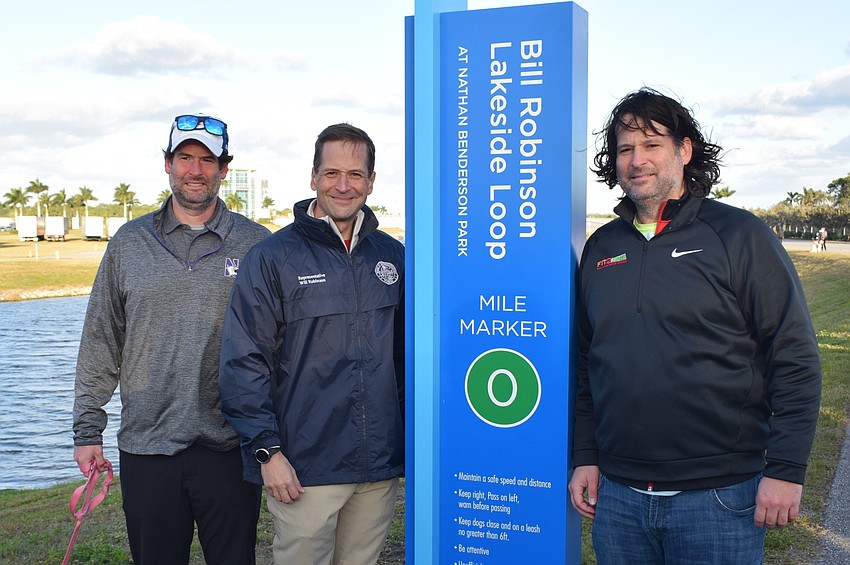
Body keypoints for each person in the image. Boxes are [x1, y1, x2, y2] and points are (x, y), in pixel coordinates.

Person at [568, 88, 822, 564]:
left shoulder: (740, 235)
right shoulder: (601, 248)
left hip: (720, 498)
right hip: (619, 497)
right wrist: (587, 455)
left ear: (684, 151)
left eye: (651, 145)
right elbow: (588, 364)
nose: (636, 160)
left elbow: (794, 356)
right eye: (625, 149)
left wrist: (786, 469)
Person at [73, 113, 270, 565]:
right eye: (185, 158)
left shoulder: (258, 245)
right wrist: (88, 428)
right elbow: (101, 340)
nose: (196, 170)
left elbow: (278, 349)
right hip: (147, 447)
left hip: (230, 446)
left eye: (207, 160)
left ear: (225, 167)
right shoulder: (128, 242)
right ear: (167, 163)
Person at [219, 123, 405, 565]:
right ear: (313, 178)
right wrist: (267, 451)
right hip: (304, 468)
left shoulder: (393, 256)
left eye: (356, 174)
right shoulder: (272, 257)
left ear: (372, 181)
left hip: (378, 467)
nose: (344, 185)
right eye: (332, 173)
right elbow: (243, 361)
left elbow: (409, 360)